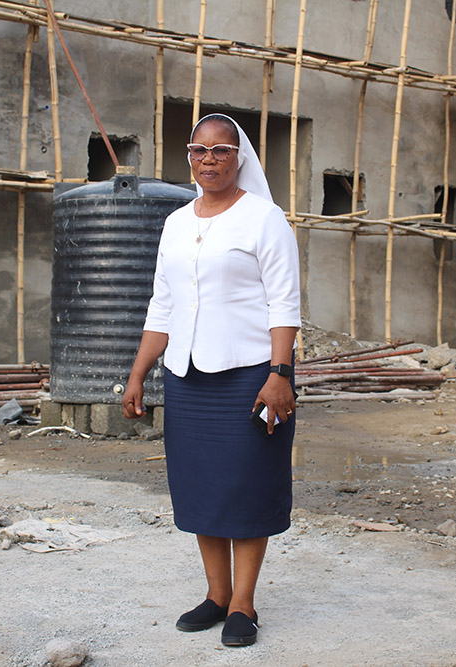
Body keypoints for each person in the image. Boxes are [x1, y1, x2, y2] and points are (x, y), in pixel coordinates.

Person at [121, 113, 300, 647]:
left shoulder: (266, 220)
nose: (209, 159)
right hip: (188, 379)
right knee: (201, 487)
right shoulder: (177, 223)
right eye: (199, 150)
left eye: (220, 150)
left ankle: (243, 605)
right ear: (190, 158)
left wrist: (280, 373)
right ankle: (216, 595)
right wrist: (137, 373)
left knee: (247, 486)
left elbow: (284, 302)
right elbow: (164, 303)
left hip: (250, 375)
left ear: (238, 157)